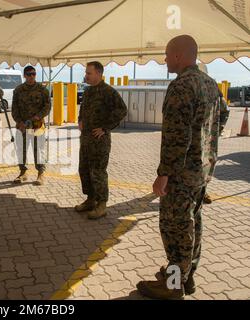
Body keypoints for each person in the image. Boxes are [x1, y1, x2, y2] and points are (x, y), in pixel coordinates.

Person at [137, 35, 221, 300]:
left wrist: (163, 175)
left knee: (175, 231)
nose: (164, 59)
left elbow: (177, 137)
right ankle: (187, 276)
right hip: (202, 172)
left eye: (166, 54)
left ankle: (173, 286)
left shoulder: (181, 86)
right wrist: (205, 145)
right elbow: (223, 116)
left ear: (177, 56)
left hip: (181, 175)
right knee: (192, 223)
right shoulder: (210, 84)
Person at [75, 61, 127, 220]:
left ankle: (102, 204)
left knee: (97, 172)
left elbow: (122, 110)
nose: (86, 75)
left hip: (99, 141)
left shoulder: (109, 92)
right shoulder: (89, 91)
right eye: (86, 73)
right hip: (86, 139)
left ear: (98, 73)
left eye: (89, 73)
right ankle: (91, 200)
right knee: (84, 169)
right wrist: (80, 119)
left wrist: (105, 127)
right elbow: (83, 108)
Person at [12, 66, 50, 185]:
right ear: (24, 75)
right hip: (22, 125)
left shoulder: (42, 89)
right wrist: (19, 122)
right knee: (21, 149)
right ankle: (23, 173)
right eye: (29, 74)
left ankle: (41, 173)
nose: (31, 76)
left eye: (33, 74)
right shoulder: (18, 90)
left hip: (37, 125)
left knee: (39, 149)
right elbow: (14, 109)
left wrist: (38, 116)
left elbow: (47, 106)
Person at [203, 89, 229, 204]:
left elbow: (225, 111)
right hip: (192, 138)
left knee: (208, 162)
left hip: (209, 138)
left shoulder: (215, 93)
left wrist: (219, 128)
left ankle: (202, 191)